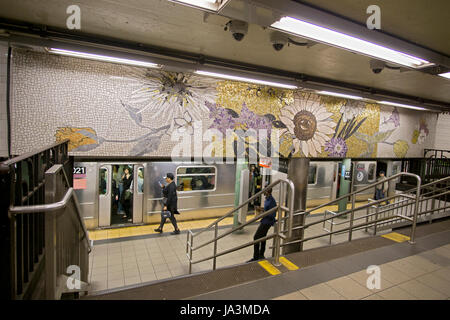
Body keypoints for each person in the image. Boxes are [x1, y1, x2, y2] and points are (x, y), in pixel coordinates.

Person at [247, 188, 277, 262]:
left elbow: (272, 214)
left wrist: (263, 213)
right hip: (264, 220)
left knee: (256, 237)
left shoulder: (271, 201)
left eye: (265, 191)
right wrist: (261, 209)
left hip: (267, 222)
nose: (263, 192)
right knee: (263, 237)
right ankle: (261, 255)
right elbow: (267, 210)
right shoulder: (267, 199)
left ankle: (256, 257)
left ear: (268, 192)